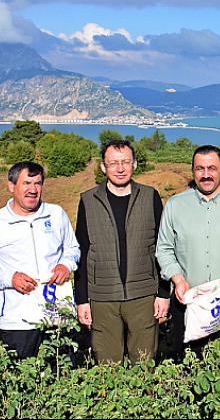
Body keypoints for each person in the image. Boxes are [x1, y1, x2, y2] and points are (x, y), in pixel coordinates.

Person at [0, 162, 80, 359]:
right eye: (26, 183)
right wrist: (9, 278)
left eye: (38, 183)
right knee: (20, 378)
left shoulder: (56, 214)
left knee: (62, 375)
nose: (33, 189)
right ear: (11, 186)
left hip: (56, 314)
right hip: (17, 320)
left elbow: (72, 248)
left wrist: (66, 264)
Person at [74, 140, 169, 363]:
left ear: (134, 164)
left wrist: (163, 293)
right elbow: (82, 251)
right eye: (113, 163)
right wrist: (81, 300)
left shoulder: (149, 196)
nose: (120, 168)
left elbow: (162, 247)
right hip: (102, 298)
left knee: (144, 365)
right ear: (103, 167)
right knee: (107, 367)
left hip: (143, 295)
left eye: (125, 162)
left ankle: (145, 398)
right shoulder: (88, 200)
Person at [157, 145, 220, 355]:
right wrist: (177, 279)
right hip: (187, 300)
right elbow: (164, 248)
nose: (206, 175)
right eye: (200, 169)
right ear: (193, 171)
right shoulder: (175, 205)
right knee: (187, 362)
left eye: (212, 168)